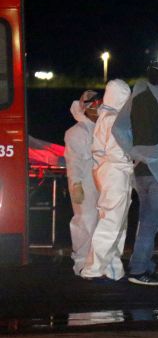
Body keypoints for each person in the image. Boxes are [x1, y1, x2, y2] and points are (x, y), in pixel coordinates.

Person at [112, 61, 158, 286]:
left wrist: (134, 152)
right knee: (149, 224)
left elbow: (118, 128)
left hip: (141, 171)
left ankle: (144, 265)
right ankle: (137, 271)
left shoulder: (136, 100)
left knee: (146, 222)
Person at [80, 79, 133, 282]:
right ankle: (94, 268)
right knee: (112, 222)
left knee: (117, 222)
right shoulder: (113, 120)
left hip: (112, 173)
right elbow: (117, 152)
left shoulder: (106, 116)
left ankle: (112, 268)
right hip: (116, 173)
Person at [64, 90, 102, 276]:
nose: (98, 109)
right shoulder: (76, 133)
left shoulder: (103, 130)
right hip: (85, 184)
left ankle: (97, 263)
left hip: (102, 184)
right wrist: (76, 184)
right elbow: (74, 161)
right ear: (86, 108)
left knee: (101, 225)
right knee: (84, 223)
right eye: (94, 105)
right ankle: (81, 263)